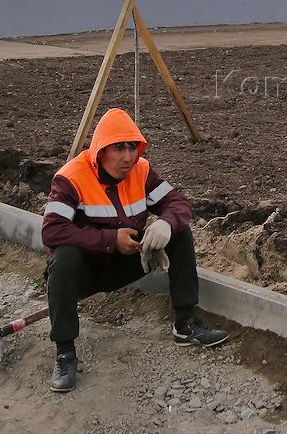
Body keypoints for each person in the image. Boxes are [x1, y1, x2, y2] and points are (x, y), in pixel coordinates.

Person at [41, 108, 227, 393]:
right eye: (119, 148)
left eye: (132, 148)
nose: (128, 157)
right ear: (101, 150)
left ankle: (186, 324)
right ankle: (65, 353)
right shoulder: (71, 178)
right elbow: (52, 231)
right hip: (84, 273)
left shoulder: (141, 171)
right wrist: (109, 239)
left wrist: (166, 223)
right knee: (64, 256)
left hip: (129, 261)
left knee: (179, 232)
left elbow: (178, 202)